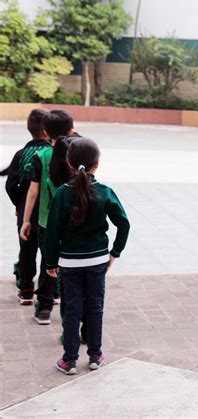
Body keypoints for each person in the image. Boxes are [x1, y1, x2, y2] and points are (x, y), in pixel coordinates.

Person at [44, 138, 130, 375]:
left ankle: (69, 360)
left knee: (72, 309)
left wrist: (51, 262)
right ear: (97, 163)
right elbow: (123, 223)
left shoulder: (62, 193)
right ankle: (95, 355)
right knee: (95, 307)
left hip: (69, 262)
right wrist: (115, 253)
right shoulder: (104, 192)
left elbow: (52, 232)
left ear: (69, 163)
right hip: (97, 261)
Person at [20, 110, 75, 325]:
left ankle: (44, 309)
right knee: (68, 265)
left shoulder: (41, 156)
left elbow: (32, 192)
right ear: (71, 130)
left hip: (45, 221)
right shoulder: (76, 152)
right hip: (71, 223)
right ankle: (68, 310)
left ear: (45, 132)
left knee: (48, 262)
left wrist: (26, 221)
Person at [5, 109, 50, 304]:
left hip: (27, 210)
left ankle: (25, 289)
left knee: (27, 249)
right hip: (49, 211)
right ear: (48, 130)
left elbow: (10, 184)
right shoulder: (54, 154)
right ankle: (50, 292)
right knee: (49, 251)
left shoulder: (21, 154)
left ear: (28, 128)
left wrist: (18, 204)